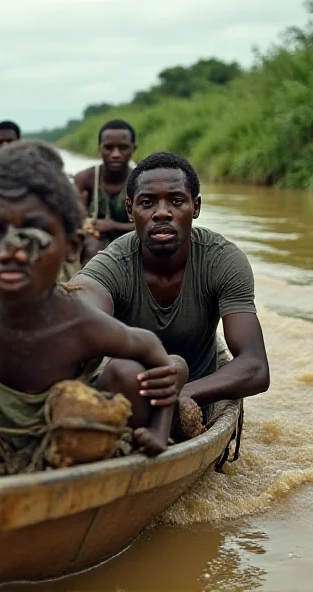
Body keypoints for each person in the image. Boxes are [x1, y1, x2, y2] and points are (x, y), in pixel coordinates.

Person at [0, 141, 189, 492]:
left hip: (53, 449)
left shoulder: (79, 321)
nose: (12, 252)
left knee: (98, 404)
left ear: (72, 247)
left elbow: (151, 347)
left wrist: (160, 428)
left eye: (34, 234)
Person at [72, 152, 270, 428]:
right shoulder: (112, 263)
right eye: (147, 202)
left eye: (176, 201)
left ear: (196, 207)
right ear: (130, 210)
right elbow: (83, 315)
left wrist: (183, 393)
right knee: (126, 373)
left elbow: (255, 367)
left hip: (194, 393)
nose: (162, 212)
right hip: (130, 391)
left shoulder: (222, 260)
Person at [72, 119, 138, 261]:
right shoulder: (83, 180)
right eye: (108, 148)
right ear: (99, 149)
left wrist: (113, 226)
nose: (115, 154)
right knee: (91, 248)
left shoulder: (142, 181)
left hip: (133, 240)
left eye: (123, 148)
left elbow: (151, 225)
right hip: (94, 242)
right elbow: (71, 221)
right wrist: (83, 220)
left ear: (133, 149)